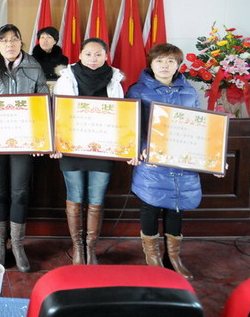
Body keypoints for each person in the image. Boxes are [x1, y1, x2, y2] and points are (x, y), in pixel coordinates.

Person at [0, 24, 48, 272]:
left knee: (20, 192)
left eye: (14, 39)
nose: (10, 44)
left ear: (21, 42)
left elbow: (44, 102)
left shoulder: (34, 66)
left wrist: (41, 138)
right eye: (4, 40)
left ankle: (17, 245)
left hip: (24, 141)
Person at [126, 43, 201, 281]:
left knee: (176, 205)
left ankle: (173, 258)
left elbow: (200, 126)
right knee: (150, 205)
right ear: (151, 64)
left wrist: (210, 158)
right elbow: (131, 125)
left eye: (170, 61)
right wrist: (139, 149)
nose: (165, 65)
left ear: (178, 65)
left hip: (181, 159)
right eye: (159, 61)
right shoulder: (137, 90)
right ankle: (153, 257)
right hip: (151, 159)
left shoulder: (190, 92)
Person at [52, 38, 125, 265]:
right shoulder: (67, 78)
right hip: (71, 148)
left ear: (106, 56)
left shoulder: (114, 79)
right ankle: (77, 247)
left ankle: (91, 247)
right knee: (75, 195)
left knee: (96, 198)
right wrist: (56, 143)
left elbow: (122, 114)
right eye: (88, 54)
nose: (93, 58)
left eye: (98, 54)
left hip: (102, 148)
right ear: (80, 55)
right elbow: (57, 112)